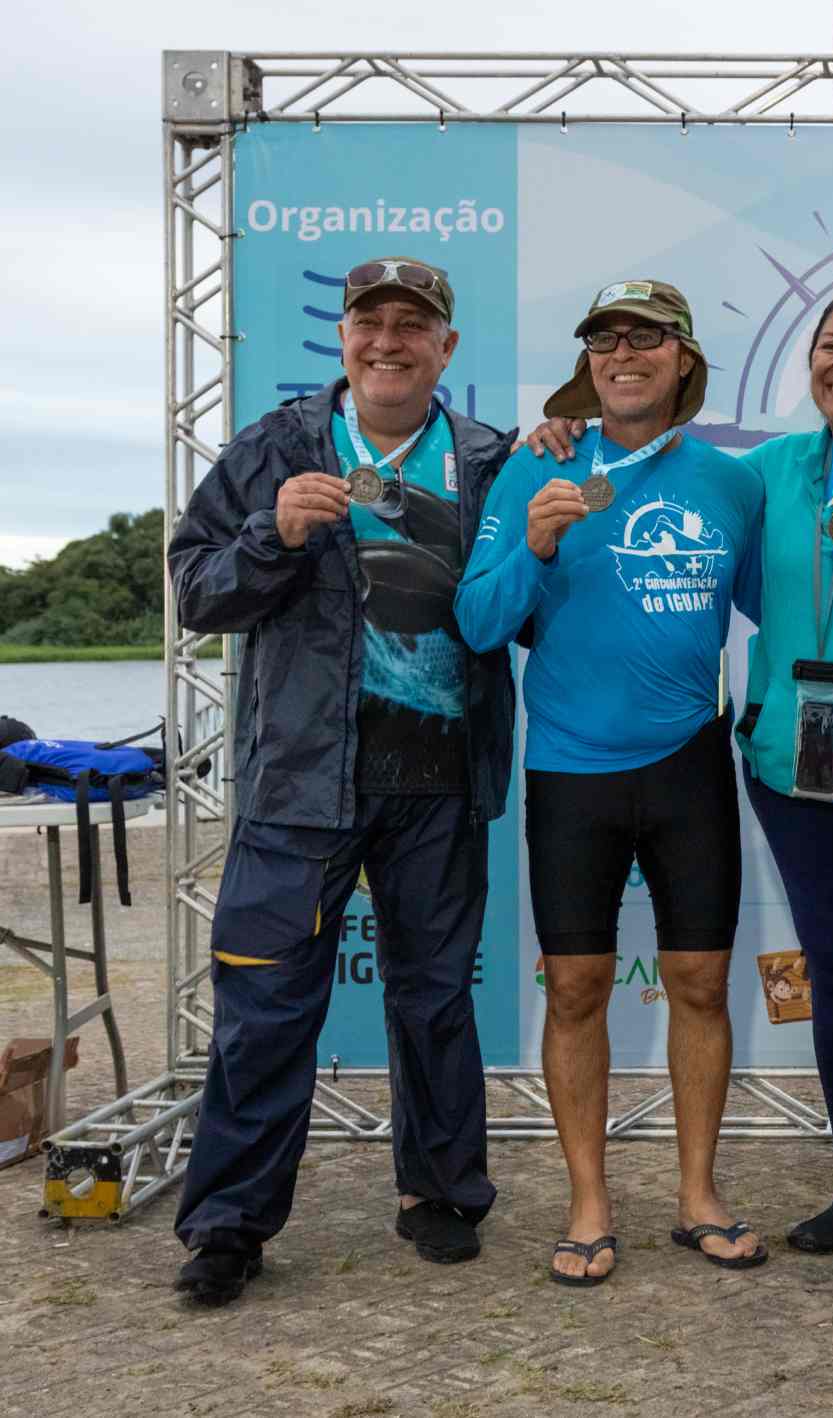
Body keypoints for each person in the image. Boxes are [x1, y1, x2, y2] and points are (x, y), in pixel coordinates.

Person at [525, 289, 833, 1295]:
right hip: (795, 770)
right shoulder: (765, 474)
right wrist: (560, 430)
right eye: (830, 345)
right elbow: (704, 543)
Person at [167, 256, 517, 1306]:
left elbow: (526, 600)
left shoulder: (490, 460)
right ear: (344, 337)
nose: (389, 342)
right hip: (300, 784)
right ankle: (228, 1223)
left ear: (446, 347)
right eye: (372, 322)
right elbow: (195, 591)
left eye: (413, 325)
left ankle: (441, 1192)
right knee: (264, 1009)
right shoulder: (273, 447)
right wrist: (270, 536)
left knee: (436, 999)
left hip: (440, 781)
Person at [456, 281, 766, 1284]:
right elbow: (478, 621)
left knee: (701, 983)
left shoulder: (731, 482)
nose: (623, 353)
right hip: (571, 767)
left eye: (646, 338)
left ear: (684, 360)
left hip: (690, 763)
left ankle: (698, 1193)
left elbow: (788, 604)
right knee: (578, 988)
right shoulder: (535, 466)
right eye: (605, 339)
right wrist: (536, 542)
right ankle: (588, 1200)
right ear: (588, 362)